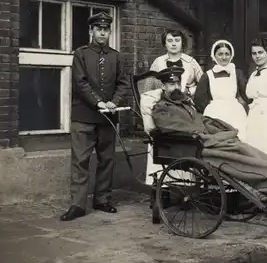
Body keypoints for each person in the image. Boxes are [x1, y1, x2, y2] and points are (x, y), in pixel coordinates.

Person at [148, 66, 267, 205]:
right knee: (242, 159)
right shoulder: (162, 109)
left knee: (244, 148)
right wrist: (207, 135)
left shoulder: (185, 104)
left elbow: (202, 121)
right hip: (195, 147)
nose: (176, 87)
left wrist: (223, 130)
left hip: (206, 142)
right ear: (163, 86)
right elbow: (182, 128)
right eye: (171, 84)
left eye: (177, 83)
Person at [60, 12, 129, 221]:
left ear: (109, 31)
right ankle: (77, 205)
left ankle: (102, 200)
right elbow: (80, 83)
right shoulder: (81, 54)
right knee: (80, 160)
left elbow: (123, 83)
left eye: (106, 29)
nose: (102, 32)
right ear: (91, 31)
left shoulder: (116, 57)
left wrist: (114, 103)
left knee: (107, 159)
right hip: (84, 116)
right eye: (98, 29)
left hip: (107, 117)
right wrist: (98, 102)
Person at [143, 29, 203, 185]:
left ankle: (186, 184)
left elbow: (203, 85)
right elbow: (149, 88)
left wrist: (189, 91)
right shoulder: (158, 62)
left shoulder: (191, 62)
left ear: (182, 42)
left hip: (185, 107)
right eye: (170, 40)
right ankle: (162, 186)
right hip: (166, 108)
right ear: (165, 43)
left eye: (177, 40)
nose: (174, 44)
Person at [194, 39, 249, 142]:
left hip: (235, 112)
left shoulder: (237, 73)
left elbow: (246, 94)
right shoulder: (207, 75)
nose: (224, 57)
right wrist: (212, 107)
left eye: (227, 54)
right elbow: (199, 99)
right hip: (215, 113)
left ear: (231, 55)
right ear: (214, 56)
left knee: (239, 139)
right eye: (220, 54)